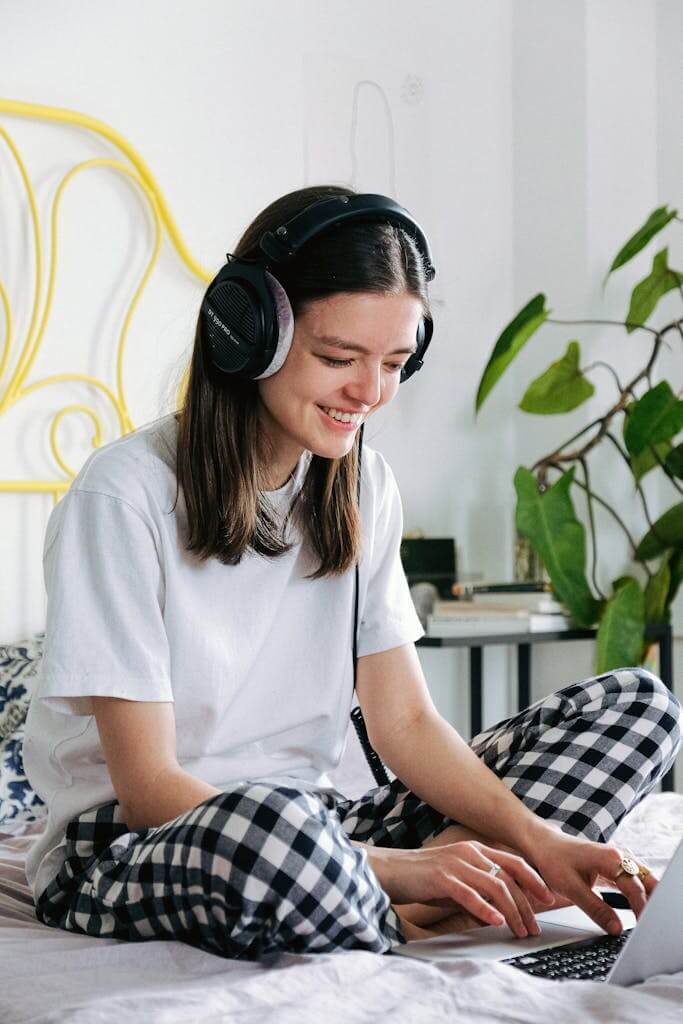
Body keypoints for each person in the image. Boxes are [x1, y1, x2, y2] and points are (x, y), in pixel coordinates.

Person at [23, 185, 681, 960]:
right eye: (338, 359)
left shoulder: (365, 485)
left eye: (394, 363)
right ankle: (406, 900)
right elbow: (149, 791)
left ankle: (421, 900)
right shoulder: (123, 494)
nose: (368, 393)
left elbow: (405, 724)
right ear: (248, 334)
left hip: (321, 824)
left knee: (639, 706)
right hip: (148, 845)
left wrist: (542, 839)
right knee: (276, 826)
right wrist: (399, 867)